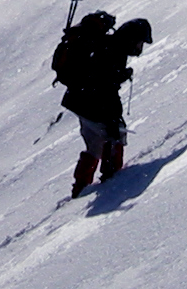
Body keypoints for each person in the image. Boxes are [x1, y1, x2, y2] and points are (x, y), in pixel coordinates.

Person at [55, 15, 152, 197]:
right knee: (114, 136)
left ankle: (80, 187)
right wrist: (113, 118)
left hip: (78, 100)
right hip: (89, 102)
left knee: (95, 144)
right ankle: (111, 178)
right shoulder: (114, 50)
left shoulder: (107, 44)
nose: (140, 48)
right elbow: (105, 88)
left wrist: (119, 76)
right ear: (131, 39)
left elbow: (101, 80)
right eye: (140, 43)